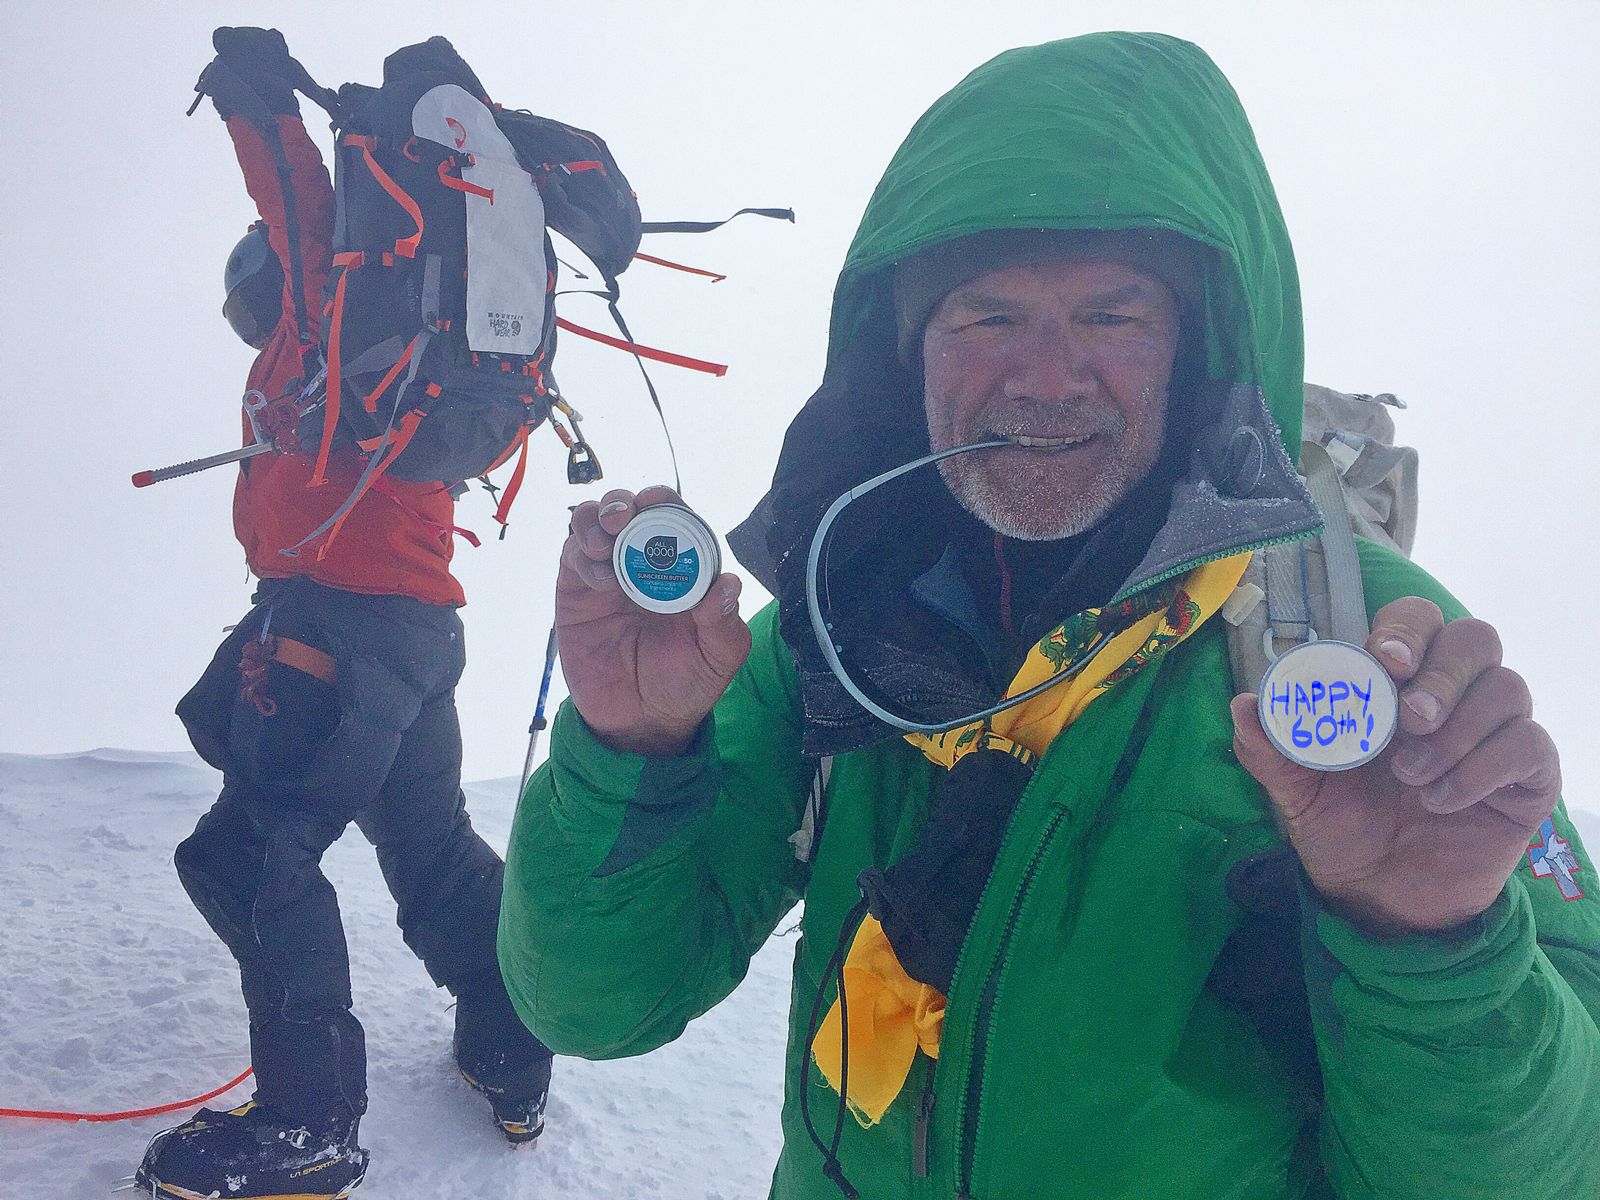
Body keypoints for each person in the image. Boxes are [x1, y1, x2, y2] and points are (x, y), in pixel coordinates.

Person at [497, 31, 1600, 1200]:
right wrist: (631, 752)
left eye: (1114, 318)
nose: (1045, 375)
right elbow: (596, 1004)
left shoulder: (1350, 640)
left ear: (1199, 347)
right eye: (987, 317)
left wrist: (1427, 939)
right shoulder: (834, 633)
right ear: (905, 352)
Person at [134, 28, 552, 1200]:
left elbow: (300, 205)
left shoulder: (327, 325)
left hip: (338, 630)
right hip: (409, 635)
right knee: (425, 845)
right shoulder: (395, 370)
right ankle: (513, 1046)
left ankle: (310, 1127)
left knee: (253, 853)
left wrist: (253, 103)